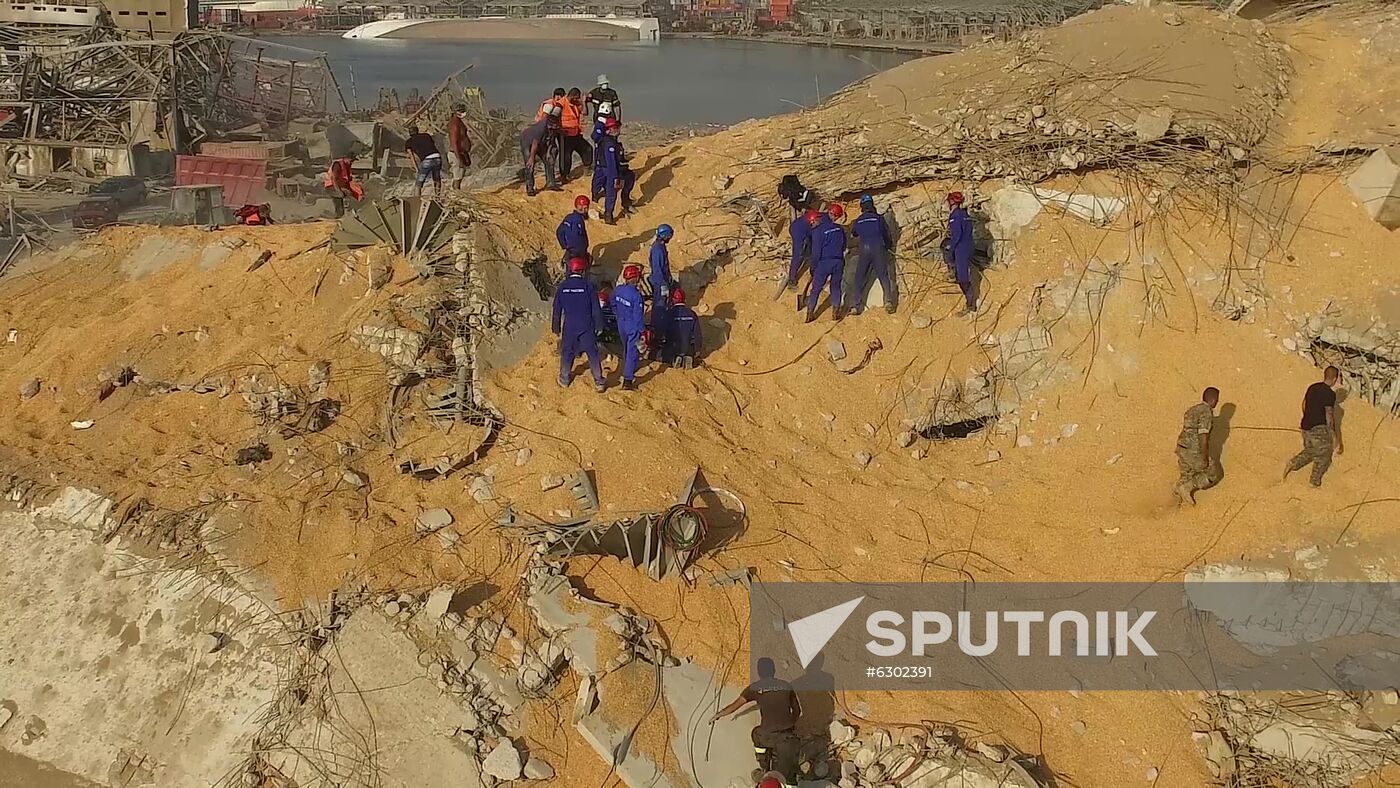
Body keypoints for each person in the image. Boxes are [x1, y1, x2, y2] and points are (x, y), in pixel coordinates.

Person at [711, 657, 801, 784]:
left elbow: (734, 706)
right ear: (774, 670)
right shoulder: (786, 686)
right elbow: (797, 712)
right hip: (788, 739)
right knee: (790, 779)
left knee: (756, 734)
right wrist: (790, 725)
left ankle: (763, 762)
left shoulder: (756, 688)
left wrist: (718, 714)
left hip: (767, 736)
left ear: (759, 672)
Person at [552, 257, 607, 392]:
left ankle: (564, 378)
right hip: (586, 326)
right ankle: (599, 381)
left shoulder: (562, 287)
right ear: (582, 271)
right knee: (592, 353)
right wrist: (599, 325)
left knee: (567, 352)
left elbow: (557, 309)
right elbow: (596, 309)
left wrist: (556, 327)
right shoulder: (588, 286)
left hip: (569, 326)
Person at [1284, 366, 1343, 487]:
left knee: (1312, 450)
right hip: (1318, 428)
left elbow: (1304, 404)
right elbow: (1329, 415)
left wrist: (1307, 417)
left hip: (1305, 426)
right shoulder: (1330, 394)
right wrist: (1334, 437)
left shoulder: (1313, 387)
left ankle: (1293, 463)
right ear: (1335, 379)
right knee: (1325, 454)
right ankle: (1314, 482)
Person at [848, 195, 896, 315]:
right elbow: (886, 234)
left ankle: (855, 306)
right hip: (878, 247)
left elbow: (854, 233)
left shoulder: (859, 220)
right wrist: (889, 246)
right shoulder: (878, 218)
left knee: (859, 277)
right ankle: (888, 301)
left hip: (864, 249)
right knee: (883, 275)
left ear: (862, 207)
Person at [1175, 387, 1221, 505]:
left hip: (1182, 447)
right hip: (1193, 449)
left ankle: (1175, 501)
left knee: (1186, 474)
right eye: (1217, 399)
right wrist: (1205, 456)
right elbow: (1203, 435)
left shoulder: (1193, 409)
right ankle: (1188, 487)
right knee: (1212, 473)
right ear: (1213, 399)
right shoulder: (1206, 412)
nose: (1217, 402)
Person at [805, 203, 848, 323]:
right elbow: (844, 246)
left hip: (823, 262)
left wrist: (813, 268)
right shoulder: (840, 229)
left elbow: (816, 253)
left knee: (816, 289)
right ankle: (836, 311)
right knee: (835, 286)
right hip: (838, 261)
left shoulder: (818, 232)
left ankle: (810, 313)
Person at [611, 264, 647, 391]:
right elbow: (638, 316)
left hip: (621, 324)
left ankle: (627, 366)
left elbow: (613, 304)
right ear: (636, 278)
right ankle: (627, 380)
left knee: (626, 347)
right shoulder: (637, 296)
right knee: (632, 351)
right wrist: (643, 331)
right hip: (633, 327)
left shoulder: (618, 290)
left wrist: (618, 315)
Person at [943, 191, 976, 316]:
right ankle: (953, 270)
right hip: (969, 245)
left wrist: (950, 249)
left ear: (951, 202)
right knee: (962, 275)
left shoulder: (955, 216)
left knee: (962, 278)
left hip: (961, 248)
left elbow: (956, 235)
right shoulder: (965, 214)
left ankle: (970, 303)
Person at [600, 119, 634, 223]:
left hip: (620, 170)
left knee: (630, 178)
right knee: (611, 193)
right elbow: (611, 163)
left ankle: (626, 202)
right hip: (612, 172)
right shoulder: (609, 144)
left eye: (617, 127)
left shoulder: (615, 142)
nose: (617, 130)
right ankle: (608, 214)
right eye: (614, 128)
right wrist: (615, 177)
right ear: (608, 130)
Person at [520, 115, 560, 197]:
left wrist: (548, 153)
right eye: (554, 125)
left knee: (549, 160)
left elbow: (551, 141)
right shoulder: (540, 129)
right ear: (549, 124)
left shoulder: (554, 128)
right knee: (529, 165)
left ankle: (550, 183)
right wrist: (532, 158)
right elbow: (535, 144)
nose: (555, 127)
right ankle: (530, 188)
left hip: (542, 143)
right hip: (528, 142)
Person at [663, 287, 701, 368]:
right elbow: (698, 335)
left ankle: (674, 358)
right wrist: (697, 350)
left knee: (659, 353)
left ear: (673, 300)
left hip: (674, 346)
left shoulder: (669, 314)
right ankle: (688, 356)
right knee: (689, 346)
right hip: (688, 347)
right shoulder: (692, 314)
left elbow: (665, 333)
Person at [559, 87, 591, 182]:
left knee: (587, 149)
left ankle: (587, 171)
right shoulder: (561, 103)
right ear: (572, 96)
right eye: (576, 98)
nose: (578, 100)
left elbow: (585, 112)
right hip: (565, 136)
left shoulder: (576, 103)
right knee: (566, 157)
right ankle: (564, 176)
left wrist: (584, 102)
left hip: (576, 134)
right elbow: (554, 117)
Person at [648, 224, 676, 332]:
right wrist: (663, 285)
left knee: (663, 304)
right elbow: (658, 268)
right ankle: (657, 328)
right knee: (659, 305)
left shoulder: (660, 246)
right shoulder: (658, 250)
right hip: (659, 282)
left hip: (662, 280)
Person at [404, 125, 443, 197]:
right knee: (437, 179)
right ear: (417, 131)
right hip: (437, 157)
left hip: (427, 160)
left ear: (409, 133)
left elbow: (412, 156)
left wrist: (416, 169)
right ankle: (438, 198)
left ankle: (417, 200)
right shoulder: (426, 135)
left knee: (419, 183)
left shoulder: (409, 142)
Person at [785, 208, 815, 293]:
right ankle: (792, 279)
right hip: (798, 230)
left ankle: (808, 255)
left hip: (801, 227)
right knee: (798, 255)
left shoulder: (823, 218)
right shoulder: (824, 222)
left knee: (810, 243)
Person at [556, 195, 591, 269]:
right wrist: (581, 251)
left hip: (570, 252)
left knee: (570, 271)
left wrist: (565, 245)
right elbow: (576, 238)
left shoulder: (569, 217)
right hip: (578, 254)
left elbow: (559, 232)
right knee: (580, 273)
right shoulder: (578, 221)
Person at [447, 103, 473, 189]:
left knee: (458, 176)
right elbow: (454, 142)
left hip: (461, 153)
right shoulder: (455, 124)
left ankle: (455, 193)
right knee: (458, 178)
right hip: (456, 153)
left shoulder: (459, 122)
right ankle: (456, 195)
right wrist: (459, 158)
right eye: (461, 111)